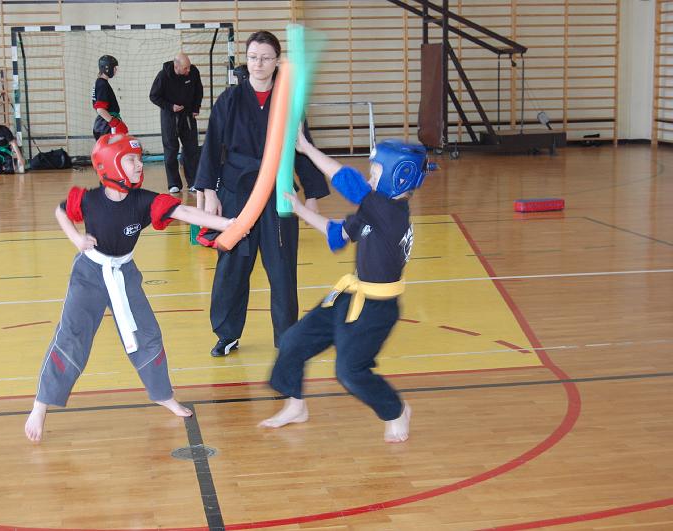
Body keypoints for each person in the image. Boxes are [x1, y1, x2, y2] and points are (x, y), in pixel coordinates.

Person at [24, 133, 236, 442]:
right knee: (71, 336)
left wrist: (227, 224)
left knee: (147, 334)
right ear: (110, 165)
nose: (139, 165)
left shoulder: (143, 201)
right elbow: (61, 212)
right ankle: (40, 405)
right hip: (88, 274)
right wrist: (77, 239)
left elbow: (185, 213)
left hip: (124, 274)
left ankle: (163, 395)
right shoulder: (89, 200)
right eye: (131, 160)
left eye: (139, 159)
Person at [258, 129, 435, 443]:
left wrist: (307, 148)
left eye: (375, 174)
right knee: (293, 341)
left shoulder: (388, 212)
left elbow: (346, 180)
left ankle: (396, 410)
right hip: (350, 295)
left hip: (375, 310)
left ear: (398, 178)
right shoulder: (376, 210)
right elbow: (337, 233)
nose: (369, 179)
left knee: (350, 372)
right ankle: (295, 406)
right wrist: (299, 209)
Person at [194, 30, 329, 358]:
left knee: (282, 268)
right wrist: (209, 192)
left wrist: (312, 194)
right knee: (232, 268)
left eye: (266, 58)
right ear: (247, 59)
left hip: (278, 196)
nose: (258, 64)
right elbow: (212, 146)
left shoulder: (288, 102)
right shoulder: (229, 100)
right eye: (253, 57)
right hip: (237, 193)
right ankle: (227, 334)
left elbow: (301, 146)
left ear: (276, 61)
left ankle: (286, 337)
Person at [149, 52, 203, 193]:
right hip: (170, 117)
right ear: (176, 66)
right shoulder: (163, 76)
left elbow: (199, 90)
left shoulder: (193, 72)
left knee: (191, 149)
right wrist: (170, 107)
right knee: (171, 150)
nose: (188, 70)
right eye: (185, 68)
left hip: (188, 116)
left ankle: (193, 182)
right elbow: (153, 96)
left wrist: (196, 107)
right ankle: (174, 184)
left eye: (189, 67)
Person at [92, 55, 128, 140]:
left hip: (104, 124)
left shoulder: (101, 82)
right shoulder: (102, 84)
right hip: (106, 125)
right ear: (107, 68)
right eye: (114, 67)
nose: (115, 70)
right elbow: (100, 109)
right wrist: (114, 122)